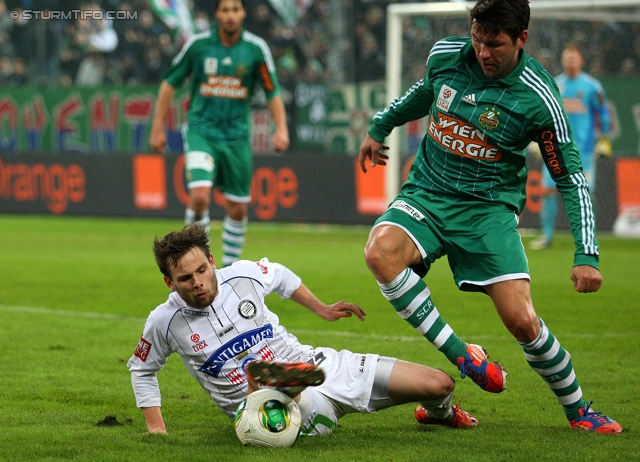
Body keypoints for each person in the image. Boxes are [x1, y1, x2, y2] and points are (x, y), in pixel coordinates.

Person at [357, 0, 621, 434]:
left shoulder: (538, 98)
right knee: (379, 252)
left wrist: (587, 254)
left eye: (495, 44)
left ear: (521, 39)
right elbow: (423, 94)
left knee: (521, 321)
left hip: (487, 210)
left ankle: (580, 411)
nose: (484, 52)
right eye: (479, 40)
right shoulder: (446, 54)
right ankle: (463, 355)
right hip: (428, 192)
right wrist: (379, 126)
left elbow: (570, 178)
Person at [127, 225, 478, 435]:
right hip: (259, 410)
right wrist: (157, 429)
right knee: (287, 401)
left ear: (212, 261)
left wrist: (322, 308)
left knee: (439, 384)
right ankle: (271, 382)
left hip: (315, 364)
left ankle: (439, 415)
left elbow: (280, 275)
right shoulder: (164, 321)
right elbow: (142, 370)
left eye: (202, 270)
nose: (199, 282)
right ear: (169, 282)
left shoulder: (243, 275)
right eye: (186, 279)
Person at [149, 0, 289, 267]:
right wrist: (157, 127)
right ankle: (196, 259)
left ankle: (228, 270)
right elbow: (169, 83)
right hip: (202, 131)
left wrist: (280, 128)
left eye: (235, 9)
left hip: (236, 138)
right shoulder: (199, 45)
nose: (230, 15)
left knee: (237, 207)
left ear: (243, 13)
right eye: (225, 10)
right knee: (200, 195)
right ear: (216, 14)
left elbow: (272, 91)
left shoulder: (256, 49)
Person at [529, 43, 612, 249]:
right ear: (563, 61)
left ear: (581, 61)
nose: (570, 62)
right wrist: (536, 139)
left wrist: (604, 139)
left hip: (582, 150)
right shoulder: (555, 84)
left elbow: (603, 113)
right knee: (548, 191)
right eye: (567, 59)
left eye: (574, 59)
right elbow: (543, 115)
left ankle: (587, 240)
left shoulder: (592, 86)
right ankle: (547, 237)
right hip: (554, 149)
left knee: (584, 194)